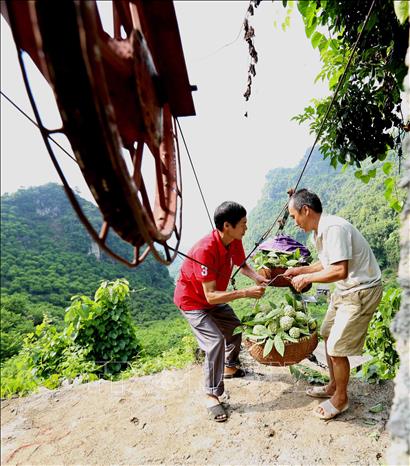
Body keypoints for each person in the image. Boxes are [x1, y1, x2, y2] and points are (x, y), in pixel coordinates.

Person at [284, 189, 382, 420]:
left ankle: (341, 398)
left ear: (305, 210)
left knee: (337, 348)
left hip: (361, 290)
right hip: (345, 290)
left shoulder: (333, 229)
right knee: (327, 334)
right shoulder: (319, 232)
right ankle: (332, 386)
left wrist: (306, 279)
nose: (294, 222)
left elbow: (340, 270)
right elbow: (327, 263)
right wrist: (301, 270)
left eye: (293, 216)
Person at [174, 201, 269, 422]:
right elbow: (210, 296)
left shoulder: (234, 241)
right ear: (227, 226)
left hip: (212, 299)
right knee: (215, 341)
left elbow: (241, 263)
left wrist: (257, 278)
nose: (246, 228)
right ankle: (211, 394)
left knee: (235, 328)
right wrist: (245, 293)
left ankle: (230, 367)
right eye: (243, 224)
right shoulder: (204, 250)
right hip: (194, 302)